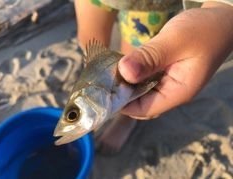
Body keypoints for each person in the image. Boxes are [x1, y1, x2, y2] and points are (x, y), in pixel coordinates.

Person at [74, 0, 233, 154]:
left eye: (73, 115)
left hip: (148, 4)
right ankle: (92, 79)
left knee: (134, 61)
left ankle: (126, 119)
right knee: (88, 38)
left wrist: (224, 8)